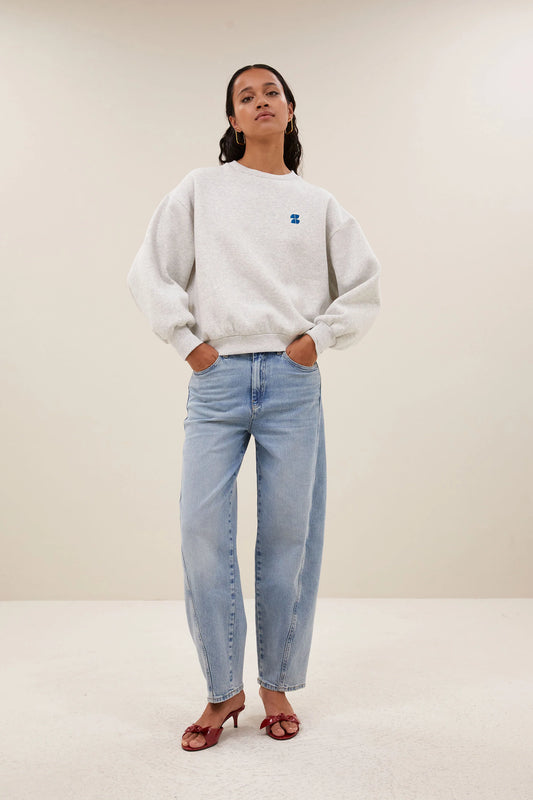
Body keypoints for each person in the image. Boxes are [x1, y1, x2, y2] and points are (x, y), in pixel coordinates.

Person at [127, 63, 381, 750]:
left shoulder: (317, 203)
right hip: (216, 381)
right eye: (246, 96)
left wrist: (315, 342)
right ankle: (222, 688)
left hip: (292, 383)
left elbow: (363, 284)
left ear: (290, 109)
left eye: (272, 92)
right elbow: (149, 271)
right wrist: (190, 346)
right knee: (201, 534)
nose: (260, 101)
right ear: (233, 119)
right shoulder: (201, 190)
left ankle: (275, 684)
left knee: (290, 536)